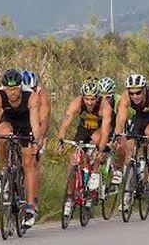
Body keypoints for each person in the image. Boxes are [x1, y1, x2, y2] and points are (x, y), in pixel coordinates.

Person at [0, 69, 42, 227]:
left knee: (28, 162)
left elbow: (35, 124)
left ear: (21, 87)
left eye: (15, 89)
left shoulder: (31, 97)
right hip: (8, 120)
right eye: (9, 89)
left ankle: (29, 207)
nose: (12, 93)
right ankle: (3, 172)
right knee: (2, 134)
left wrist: (35, 141)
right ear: (4, 88)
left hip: (26, 122)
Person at [56, 78, 113, 214]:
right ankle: (70, 197)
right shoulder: (77, 103)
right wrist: (61, 141)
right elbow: (66, 122)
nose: (89, 102)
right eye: (87, 99)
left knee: (96, 142)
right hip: (83, 130)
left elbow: (105, 131)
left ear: (97, 98)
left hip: (99, 131)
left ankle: (94, 173)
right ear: (83, 97)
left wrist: (100, 150)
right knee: (73, 160)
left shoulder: (105, 107)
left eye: (93, 99)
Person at [113, 74, 149, 184]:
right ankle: (130, 181)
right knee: (129, 144)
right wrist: (118, 136)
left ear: (144, 90)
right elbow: (120, 119)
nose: (135, 96)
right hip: (139, 117)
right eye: (132, 93)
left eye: (138, 93)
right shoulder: (125, 97)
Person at [20, 70, 51, 211]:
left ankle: (34, 199)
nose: (30, 93)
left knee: (34, 161)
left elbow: (43, 121)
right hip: (22, 123)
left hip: (37, 126)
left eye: (32, 89)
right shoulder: (17, 94)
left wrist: (39, 141)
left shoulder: (42, 96)